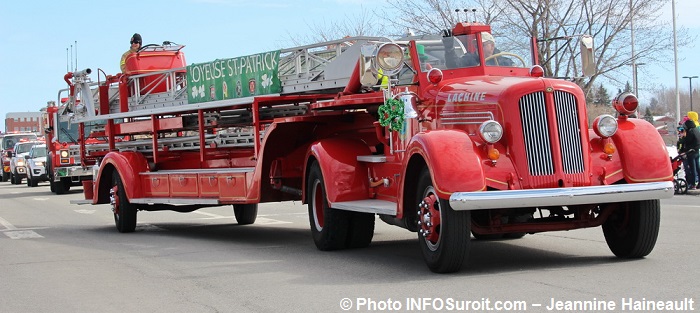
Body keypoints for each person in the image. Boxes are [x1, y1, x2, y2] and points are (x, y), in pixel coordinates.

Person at [680, 119, 700, 189]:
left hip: (691, 152)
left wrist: (684, 149)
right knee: (698, 168)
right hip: (697, 151)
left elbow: (687, 142)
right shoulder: (696, 130)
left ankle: (693, 184)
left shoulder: (690, 132)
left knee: (692, 169)